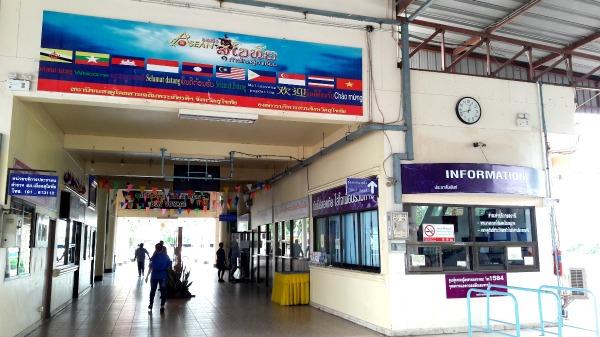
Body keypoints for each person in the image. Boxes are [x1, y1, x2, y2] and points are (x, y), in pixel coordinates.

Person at [146, 243, 172, 313]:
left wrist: (147, 276)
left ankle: (151, 304)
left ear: (156, 248)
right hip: (163, 275)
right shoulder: (166, 256)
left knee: (153, 291)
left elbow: (150, 266)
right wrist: (166, 269)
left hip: (154, 276)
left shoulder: (154, 257)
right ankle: (162, 306)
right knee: (163, 291)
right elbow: (170, 264)